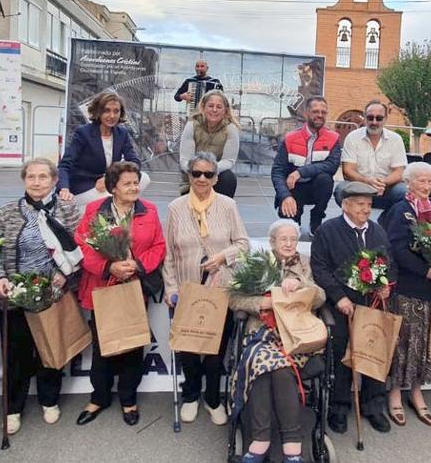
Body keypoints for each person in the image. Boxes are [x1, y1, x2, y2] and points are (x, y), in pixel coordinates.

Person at [0, 158, 86, 435]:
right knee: (15, 355)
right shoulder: (7, 212)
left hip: (52, 294)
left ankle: (49, 399)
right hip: (15, 296)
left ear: (55, 181)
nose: (37, 182)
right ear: (24, 180)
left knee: (49, 350)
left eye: (43, 177)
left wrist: (65, 276)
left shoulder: (67, 209)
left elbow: (80, 247)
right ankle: (13, 408)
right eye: (31, 177)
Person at [74, 161, 166, 427]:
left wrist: (137, 265)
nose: (134, 187)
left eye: (136, 182)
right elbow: (82, 246)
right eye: (127, 183)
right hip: (102, 288)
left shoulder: (149, 210)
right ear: (113, 187)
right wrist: (109, 266)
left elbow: (159, 245)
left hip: (134, 287)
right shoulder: (94, 210)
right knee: (102, 347)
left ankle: (129, 399)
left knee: (133, 346)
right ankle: (98, 398)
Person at [163, 151, 250, 425]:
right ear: (189, 176)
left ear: (216, 178)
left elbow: (243, 243)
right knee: (188, 348)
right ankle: (190, 395)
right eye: (196, 173)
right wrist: (170, 288)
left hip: (219, 288)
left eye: (208, 174)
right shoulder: (176, 207)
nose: (202, 179)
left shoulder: (227, 205)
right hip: (187, 289)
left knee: (214, 351)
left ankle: (212, 398)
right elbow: (168, 254)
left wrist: (223, 257)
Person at [229, 219, 325, 463]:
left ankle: (279, 442)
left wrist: (302, 286)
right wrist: (262, 303)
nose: (289, 243)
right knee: (268, 365)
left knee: (278, 367)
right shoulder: (258, 264)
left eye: (293, 239)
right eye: (284, 239)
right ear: (272, 242)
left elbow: (321, 297)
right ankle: (275, 443)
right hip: (261, 334)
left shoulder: (304, 264)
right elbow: (234, 299)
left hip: (296, 337)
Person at [309, 181, 394, 435]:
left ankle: (374, 404)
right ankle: (339, 407)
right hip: (342, 305)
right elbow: (320, 268)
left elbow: (389, 262)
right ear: (345, 205)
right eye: (360, 204)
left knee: (373, 350)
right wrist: (339, 298)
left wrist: (386, 284)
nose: (366, 209)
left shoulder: (377, 231)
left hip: (372, 302)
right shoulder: (328, 230)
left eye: (369, 205)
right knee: (341, 351)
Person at [383, 161, 431, 426]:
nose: (426, 186)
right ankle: (396, 393)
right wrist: (427, 271)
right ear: (408, 183)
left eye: (430, 181)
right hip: (408, 285)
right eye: (421, 180)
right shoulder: (400, 210)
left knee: (424, 344)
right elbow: (396, 249)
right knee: (404, 341)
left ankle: (417, 391)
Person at [58, 90, 145, 204]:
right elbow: (65, 165)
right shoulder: (84, 133)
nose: (112, 116)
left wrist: (109, 178)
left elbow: (134, 161)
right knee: (118, 196)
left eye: (116, 111)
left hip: (108, 182)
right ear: (98, 112)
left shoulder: (121, 133)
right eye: (107, 111)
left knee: (143, 178)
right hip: (85, 185)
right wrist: (64, 188)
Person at [272, 96, 341, 237]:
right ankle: (294, 218)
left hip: (316, 187)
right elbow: (277, 171)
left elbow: (331, 165)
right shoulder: (290, 138)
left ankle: (316, 220)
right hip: (294, 188)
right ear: (306, 113)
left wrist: (301, 172)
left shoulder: (333, 137)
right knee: (290, 228)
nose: (320, 115)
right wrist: (285, 196)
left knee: (325, 179)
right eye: (315, 111)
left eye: (323, 112)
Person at [340, 99, 408, 215]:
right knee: (341, 190)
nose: (374, 122)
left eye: (379, 118)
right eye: (370, 118)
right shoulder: (352, 137)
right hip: (360, 186)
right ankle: (351, 225)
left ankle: (389, 223)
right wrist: (367, 181)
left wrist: (383, 182)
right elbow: (347, 170)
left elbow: (400, 171)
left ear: (385, 119)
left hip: (387, 187)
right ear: (365, 118)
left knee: (404, 191)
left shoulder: (396, 139)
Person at [177, 90, 241, 198]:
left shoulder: (231, 129)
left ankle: (222, 212)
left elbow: (229, 161)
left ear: (225, 110)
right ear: (203, 107)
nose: (214, 110)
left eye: (219, 107)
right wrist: (199, 172)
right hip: (193, 175)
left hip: (216, 174)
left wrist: (209, 171)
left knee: (229, 178)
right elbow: (184, 160)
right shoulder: (191, 125)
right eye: (210, 106)